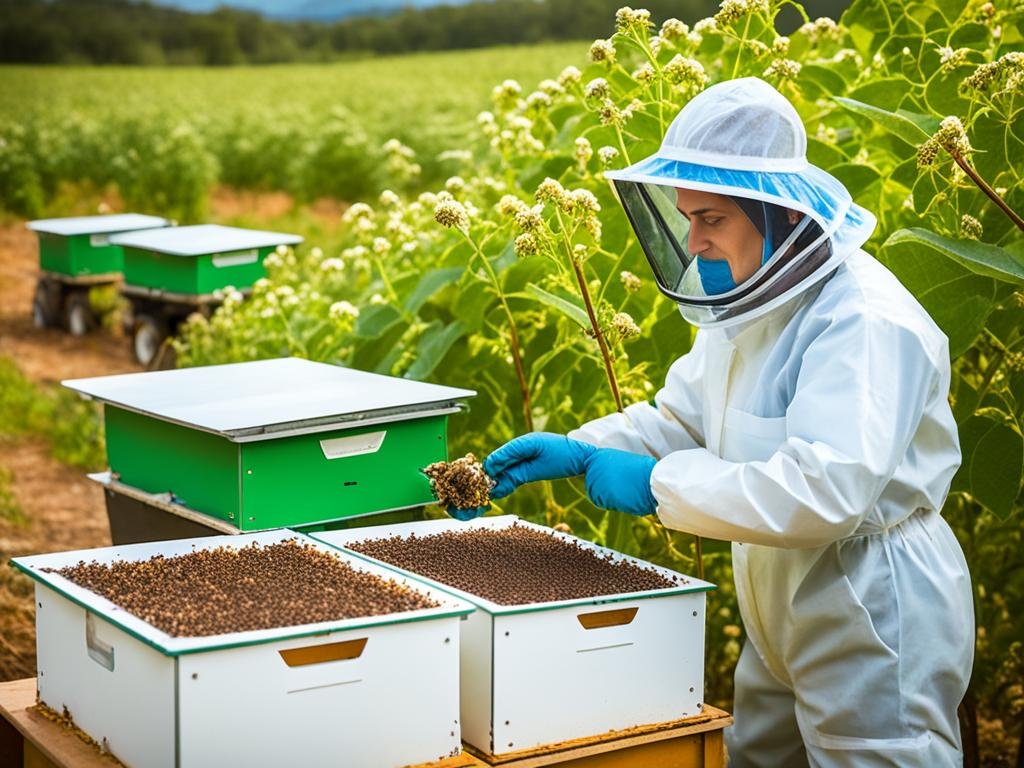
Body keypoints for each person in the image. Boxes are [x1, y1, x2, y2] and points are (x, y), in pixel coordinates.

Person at [451, 77, 975, 766]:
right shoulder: (751, 307)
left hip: (871, 609)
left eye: (712, 219)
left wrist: (657, 484)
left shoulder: (864, 321)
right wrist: (583, 449)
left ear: (781, 215)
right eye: (687, 217)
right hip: (780, 598)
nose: (694, 241)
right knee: (756, 754)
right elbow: (683, 419)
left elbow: (824, 490)